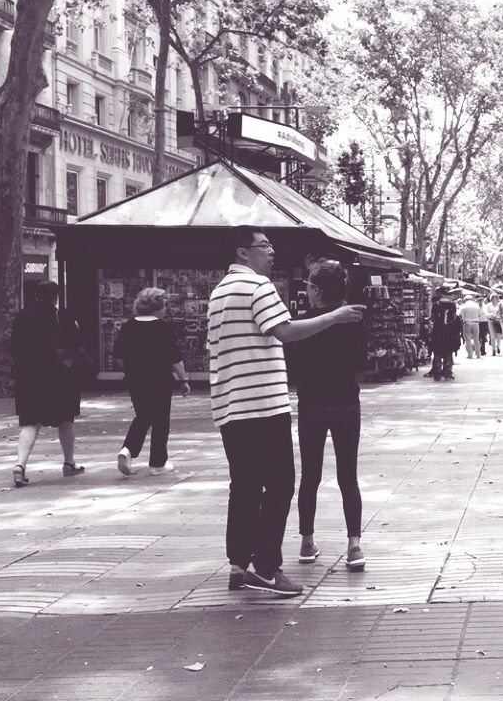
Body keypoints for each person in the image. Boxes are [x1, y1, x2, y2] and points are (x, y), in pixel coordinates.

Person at [207, 225, 364, 597]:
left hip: (230, 403)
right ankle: (265, 566)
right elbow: (286, 331)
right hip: (262, 402)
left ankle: (237, 564)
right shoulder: (259, 287)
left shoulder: (219, 292)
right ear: (243, 253)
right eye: (264, 246)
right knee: (279, 485)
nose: (271, 251)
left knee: (243, 486)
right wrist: (334, 317)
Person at [287, 261, 367, 571]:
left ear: (317, 291)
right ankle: (354, 546)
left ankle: (307, 542)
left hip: (312, 405)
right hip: (346, 403)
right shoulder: (353, 321)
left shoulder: (302, 323)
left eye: (308, 285)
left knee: (309, 477)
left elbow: (292, 368)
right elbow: (361, 361)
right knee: (349, 477)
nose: (305, 289)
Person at [10, 280, 85, 487]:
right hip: (60, 377)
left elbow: (14, 347)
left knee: (30, 423)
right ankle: (69, 463)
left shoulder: (22, 316)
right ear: (56, 297)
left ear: (36, 295)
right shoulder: (61, 316)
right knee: (66, 420)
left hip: (29, 377)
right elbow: (76, 343)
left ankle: (20, 465)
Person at [113, 287, 189, 476]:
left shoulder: (129, 326)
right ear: (158, 306)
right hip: (160, 378)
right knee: (161, 420)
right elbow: (175, 358)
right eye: (165, 304)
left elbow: (118, 356)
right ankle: (157, 462)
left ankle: (128, 448)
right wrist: (183, 379)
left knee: (143, 414)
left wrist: (132, 368)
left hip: (135, 378)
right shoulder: (163, 327)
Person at [427, 291, 462, 380]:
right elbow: (454, 318)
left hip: (438, 332)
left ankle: (437, 373)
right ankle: (447, 372)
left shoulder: (436, 305)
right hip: (449, 333)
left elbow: (433, 318)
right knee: (448, 352)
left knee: (437, 352)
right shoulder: (452, 305)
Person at [459, 293, 483, 359]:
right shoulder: (476, 305)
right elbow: (479, 314)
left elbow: (460, 315)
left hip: (467, 323)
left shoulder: (464, 306)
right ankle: (478, 354)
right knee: (476, 339)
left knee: (468, 339)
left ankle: (470, 354)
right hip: (475, 323)